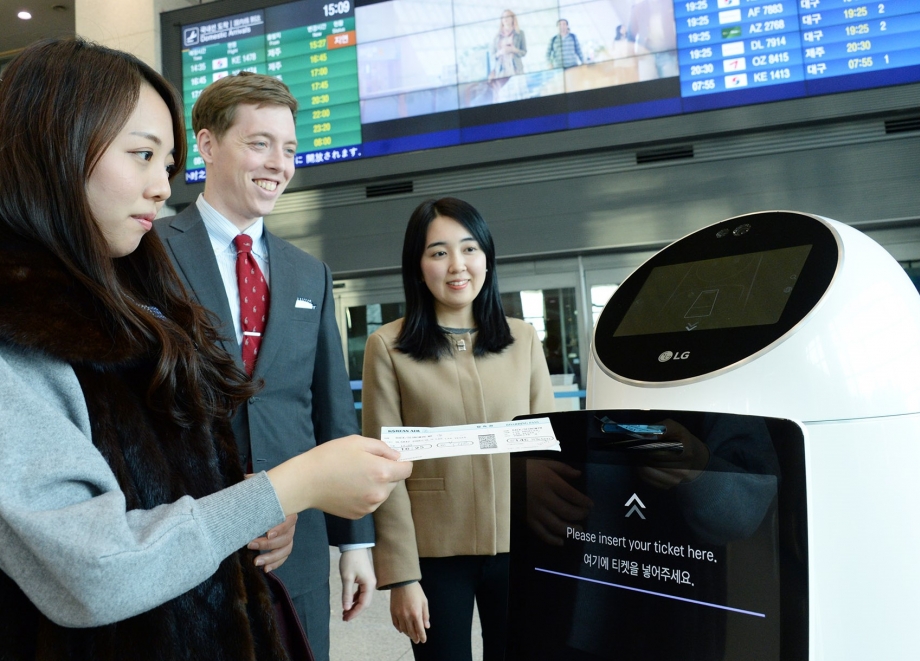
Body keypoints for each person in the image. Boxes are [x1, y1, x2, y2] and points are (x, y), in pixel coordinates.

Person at [0, 37, 411, 660]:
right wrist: (281, 490)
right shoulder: (123, 269)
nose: (158, 187)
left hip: (257, 557)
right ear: (54, 148)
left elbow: (324, 407)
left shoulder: (297, 274)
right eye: (142, 154)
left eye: (164, 163)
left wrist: (315, 522)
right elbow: (94, 564)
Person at [154, 72, 373, 661]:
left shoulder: (309, 273)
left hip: (297, 547)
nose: (279, 163)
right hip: (190, 537)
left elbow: (332, 411)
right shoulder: (149, 253)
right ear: (206, 144)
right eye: (260, 143)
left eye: (290, 149)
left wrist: (356, 544)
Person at [362, 197, 554, 661]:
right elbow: (385, 469)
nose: (457, 265)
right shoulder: (387, 346)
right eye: (438, 252)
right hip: (434, 555)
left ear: (487, 258)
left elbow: (548, 454)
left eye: (469, 249)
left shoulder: (523, 340)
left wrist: (558, 551)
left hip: (521, 547)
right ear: (418, 265)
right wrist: (402, 576)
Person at [489, 10, 527, 83]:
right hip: (501, 70)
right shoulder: (497, 37)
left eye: (507, 17)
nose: (505, 19)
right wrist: (500, 52)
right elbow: (492, 56)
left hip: (516, 69)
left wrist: (514, 50)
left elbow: (524, 52)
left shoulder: (520, 33)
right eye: (503, 17)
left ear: (512, 19)